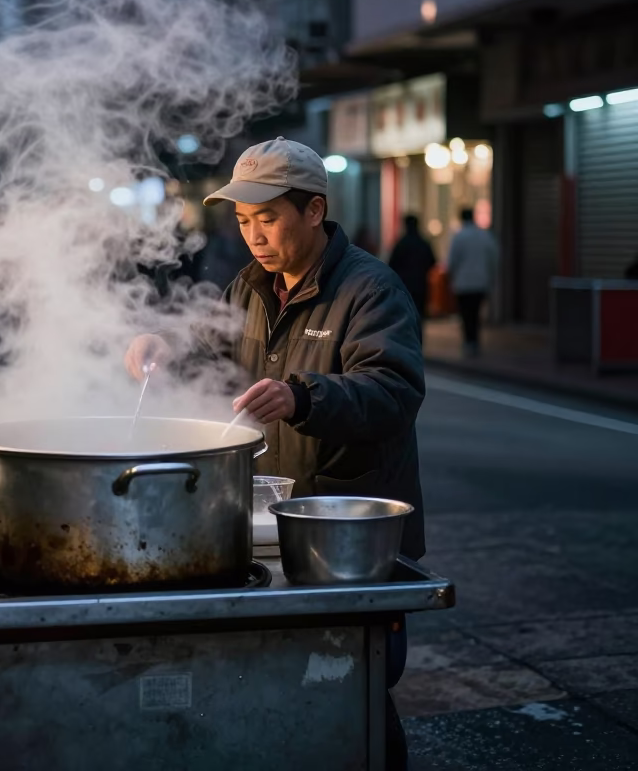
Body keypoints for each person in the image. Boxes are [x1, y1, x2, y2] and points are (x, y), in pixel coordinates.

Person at [124, 138, 424, 769]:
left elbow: (393, 390)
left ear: (313, 211)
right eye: (242, 221)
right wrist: (162, 345)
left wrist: (302, 396)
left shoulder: (370, 288)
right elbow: (208, 347)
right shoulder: (250, 287)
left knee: (355, 685)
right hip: (269, 526)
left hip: (345, 532)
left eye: (268, 218)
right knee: (275, 682)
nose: (254, 235)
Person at [446, 207, 498, 358]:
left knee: (466, 313)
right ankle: (475, 340)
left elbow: (452, 260)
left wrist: (451, 277)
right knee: (476, 313)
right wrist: (491, 276)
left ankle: (468, 341)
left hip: (463, 283)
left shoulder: (459, 236)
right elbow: (494, 257)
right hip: (481, 282)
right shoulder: (484, 235)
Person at [388, 214, 436, 337]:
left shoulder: (401, 244)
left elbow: (392, 264)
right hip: (421, 283)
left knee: (405, 314)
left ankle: (408, 338)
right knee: (419, 314)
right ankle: (418, 339)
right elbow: (433, 261)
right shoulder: (423, 243)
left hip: (404, 284)